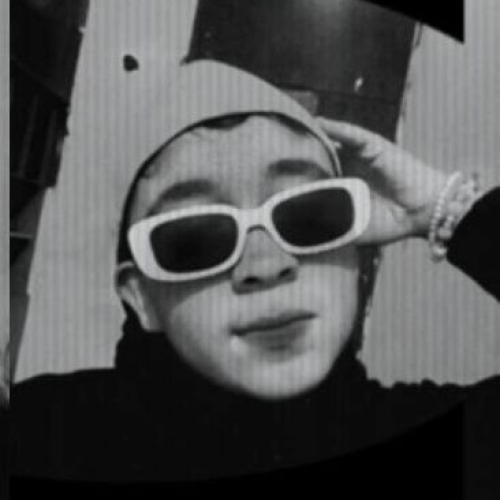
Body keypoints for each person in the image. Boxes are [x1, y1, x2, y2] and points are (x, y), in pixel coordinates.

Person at [10, 60, 499, 482]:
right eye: (194, 238)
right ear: (140, 297)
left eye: (308, 215)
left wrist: (447, 210)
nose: (266, 265)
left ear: (355, 255)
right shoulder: (39, 437)